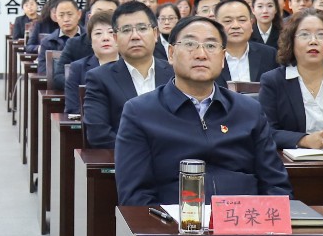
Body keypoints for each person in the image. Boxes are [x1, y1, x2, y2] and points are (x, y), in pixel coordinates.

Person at [114, 16, 291, 206]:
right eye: (190, 44)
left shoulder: (249, 111)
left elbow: (276, 184)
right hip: (175, 221)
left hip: (244, 219)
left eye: (211, 46)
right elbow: (136, 196)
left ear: (223, 58)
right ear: (171, 54)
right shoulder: (140, 112)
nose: (201, 54)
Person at [257, 8, 323, 151]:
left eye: (321, 34)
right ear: (291, 41)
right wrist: (304, 140)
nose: (313, 41)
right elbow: (265, 131)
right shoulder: (273, 81)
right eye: (304, 34)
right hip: (288, 162)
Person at [83, 2, 172, 149]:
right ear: (116, 38)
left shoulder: (175, 73)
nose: (135, 36)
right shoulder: (99, 78)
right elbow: (98, 134)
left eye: (142, 28)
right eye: (126, 30)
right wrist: (142, 152)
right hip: (126, 158)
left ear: (155, 34)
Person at [51, 0, 118, 91]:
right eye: (99, 13)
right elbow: (58, 77)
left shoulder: (127, 45)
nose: (104, 18)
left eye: (110, 13)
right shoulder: (75, 44)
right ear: (90, 17)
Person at [64, 11, 119, 115]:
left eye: (111, 32)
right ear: (91, 40)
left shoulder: (131, 65)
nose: (105, 38)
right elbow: (73, 108)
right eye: (98, 33)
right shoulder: (77, 68)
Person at [215, 0, 277, 83]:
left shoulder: (269, 54)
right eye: (228, 21)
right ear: (217, 26)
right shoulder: (210, 56)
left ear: (251, 24)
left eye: (242, 20)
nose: (236, 26)